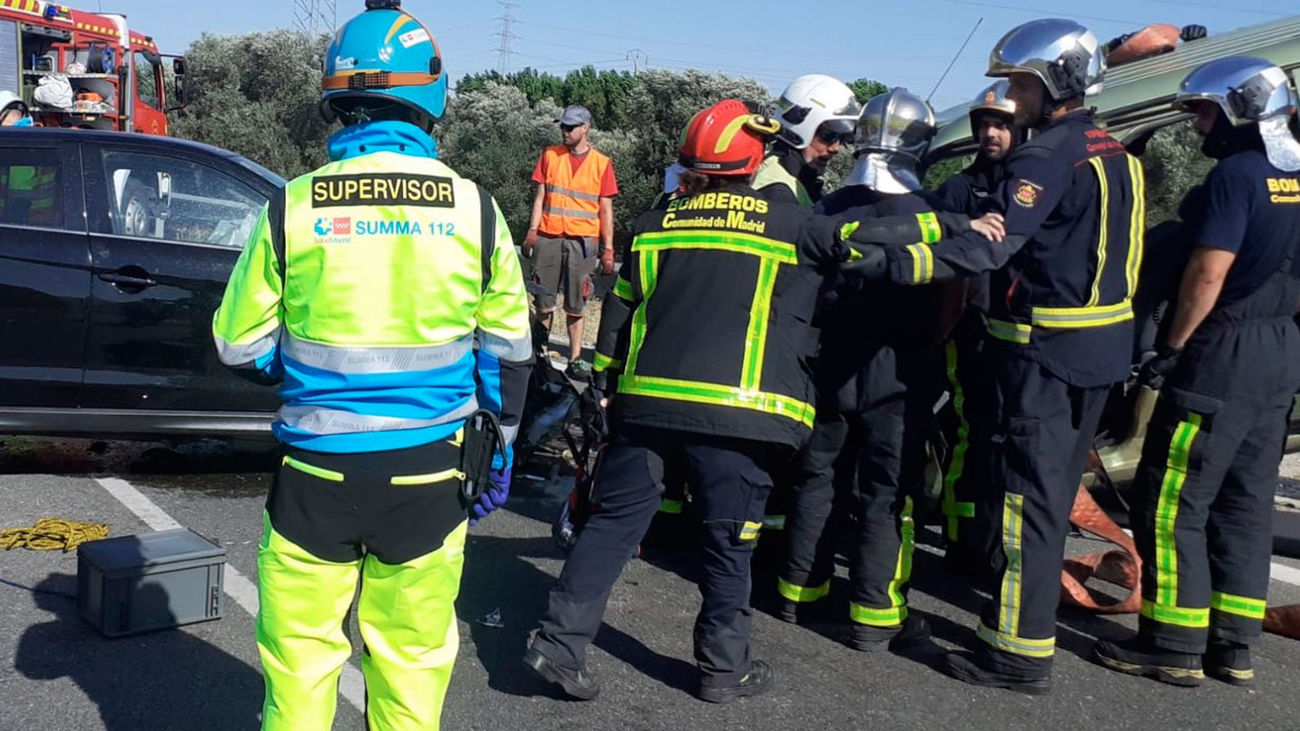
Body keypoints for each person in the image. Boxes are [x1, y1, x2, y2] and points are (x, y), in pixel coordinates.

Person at [523, 99, 974, 704]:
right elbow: (883, 229)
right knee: (728, 544)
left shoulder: (657, 224)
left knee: (609, 527)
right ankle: (720, 669)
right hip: (740, 415)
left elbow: (619, 315)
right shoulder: (790, 223)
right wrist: (959, 224)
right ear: (754, 156)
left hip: (645, 408)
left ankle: (558, 645)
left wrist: (605, 387)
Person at [211, 2, 532, 728]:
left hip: (315, 474)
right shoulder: (476, 211)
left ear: (337, 96)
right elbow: (509, 351)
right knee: (412, 668)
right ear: (430, 95)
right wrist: (501, 442)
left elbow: (237, 342)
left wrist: (296, 369)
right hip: (432, 473)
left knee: (299, 666)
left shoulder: (291, 207)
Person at [852, 18, 1144, 695]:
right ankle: (1019, 627)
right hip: (1101, 357)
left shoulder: (1045, 158)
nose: (1009, 99)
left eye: (1018, 83)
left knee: (1027, 506)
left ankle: (1016, 648)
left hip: (1045, 355)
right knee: (1049, 493)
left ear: (1053, 84)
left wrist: (892, 261)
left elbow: (990, 248)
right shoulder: (1116, 151)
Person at [1094, 57, 1300, 688]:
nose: (1198, 126)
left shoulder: (1236, 176)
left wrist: (1172, 347)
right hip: (1281, 355)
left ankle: (1172, 644)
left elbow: (1208, 272)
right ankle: (1231, 647)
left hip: (1222, 353)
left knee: (1171, 499)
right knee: (1244, 504)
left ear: (1241, 112)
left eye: (1205, 112)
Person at [778, 88, 998, 650]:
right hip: (901, 375)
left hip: (827, 365)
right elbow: (957, 305)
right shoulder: (931, 218)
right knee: (888, 494)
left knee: (816, 479)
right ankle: (875, 615)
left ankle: (798, 592)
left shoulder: (825, 208)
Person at [932, 81, 1019, 580]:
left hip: (1026, 334)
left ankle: (1002, 541)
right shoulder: (960, 190)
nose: (990, 132)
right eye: (984, 124)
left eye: (1001, 124)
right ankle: (965, 541)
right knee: (976, 435)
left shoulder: (1036, 187)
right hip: (975, 334)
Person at [523, 104, 619, 381]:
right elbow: (540, 197)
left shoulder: (602, 163)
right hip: (548, 236)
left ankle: (576, 358)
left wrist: (609, 249)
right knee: (543, 300)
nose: (564, 131)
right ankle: (540, 352)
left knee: (577, 305)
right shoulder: (549, 155)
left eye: (570, 127)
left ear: (585, 128)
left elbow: (606, 210)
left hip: (582, 241)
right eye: (562, 126)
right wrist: (532, 230)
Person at [755, 74, 860, 207]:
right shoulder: (777, 193)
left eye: (843, 138)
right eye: (829, 136)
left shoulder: (800, 178)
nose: (836, 148)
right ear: (801, 128)